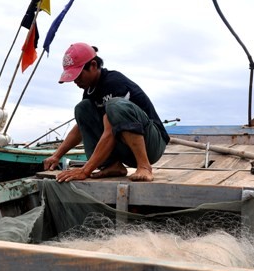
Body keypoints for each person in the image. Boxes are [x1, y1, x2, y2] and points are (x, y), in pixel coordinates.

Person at [43, 42, 170, 182]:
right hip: (126, 149)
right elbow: (80, 128)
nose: (75, 81)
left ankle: (144, 166)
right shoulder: (90, 91)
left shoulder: (114, 83)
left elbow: (109, 132)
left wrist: (85, 171)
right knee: (82, 108)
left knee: (114, 105)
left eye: (78, 76)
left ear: (93, 65)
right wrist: (56, 155)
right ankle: (112, 165)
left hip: (151, 144)